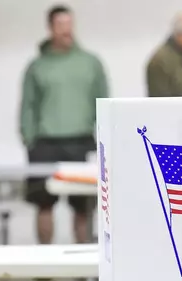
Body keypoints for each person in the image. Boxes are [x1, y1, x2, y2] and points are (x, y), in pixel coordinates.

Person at [20, 5, 108, 244]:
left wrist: (105, 139)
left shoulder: (90, 63)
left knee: (83, 206)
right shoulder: (37, 66)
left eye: (69, 24)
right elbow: (28, 106)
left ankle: (86, 269)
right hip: (45, 143)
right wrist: (29, 139)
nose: (66, 30)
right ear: (50, 28)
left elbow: (103, 102)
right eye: (60, 25)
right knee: (44, 205)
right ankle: (44, 266)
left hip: (80, 142)